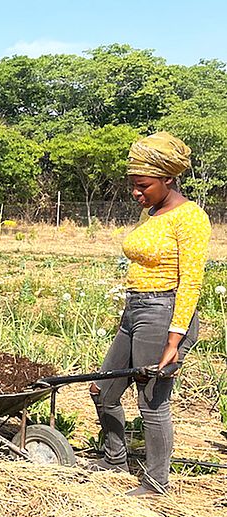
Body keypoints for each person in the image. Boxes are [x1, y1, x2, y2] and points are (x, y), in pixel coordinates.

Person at [89, 132, 211, 496]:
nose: (136, 193)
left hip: (164, 312)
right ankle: (114, 458)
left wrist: (174, 340)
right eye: (133, 185)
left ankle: (156, 481)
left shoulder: (190, 218)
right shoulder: (152, 213)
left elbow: (191, 282)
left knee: (152, 400)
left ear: (168, 179)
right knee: (103, 389)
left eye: (143, 186)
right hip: (136, 308)